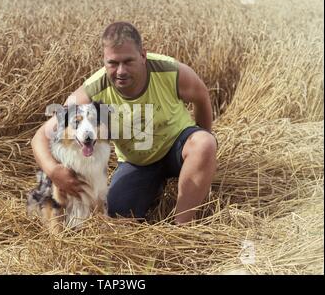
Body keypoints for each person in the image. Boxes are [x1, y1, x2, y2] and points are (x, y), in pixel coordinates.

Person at [31, 22, 217, 224]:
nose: (120, 71)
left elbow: (202, 97)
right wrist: (53, 171)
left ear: (143, 55)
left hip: (177, 149)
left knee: (204, 144)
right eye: (113, 63)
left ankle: (182, 227)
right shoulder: (93, 90)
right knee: (116, 217)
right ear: (104, 61)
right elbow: (41, 136)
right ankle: (153, 185)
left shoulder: (171, 71)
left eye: (128, 61)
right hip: (137, 163)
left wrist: (205, 154)